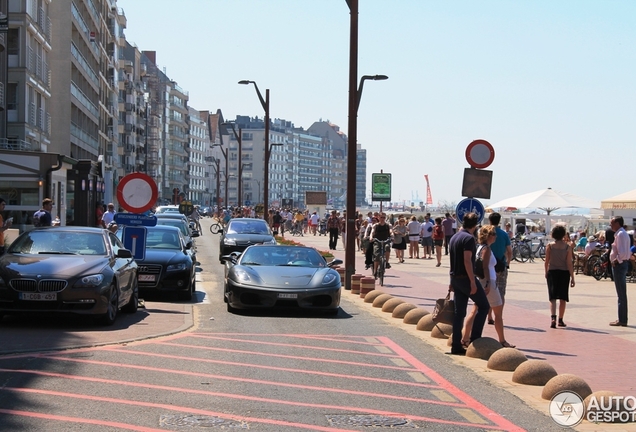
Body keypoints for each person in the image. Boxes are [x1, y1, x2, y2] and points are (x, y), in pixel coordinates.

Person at [462, 225, 514, 348]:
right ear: (489, 236)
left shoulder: (479, 248)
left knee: (475, 310)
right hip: (488, 283)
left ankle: (464, 338)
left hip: (481, 281)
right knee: (498, 313)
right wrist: (489, 283)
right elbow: (485, 267)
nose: (496, 236)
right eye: (494, 234)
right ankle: (502, 340)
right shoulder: (487, 249)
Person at [448, 212, 490, 355]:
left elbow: (452, 260)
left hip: (455, 278)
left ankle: (456, 345)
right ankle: (475, 339)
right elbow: (467, 260)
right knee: (484, 306)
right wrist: (472, 281)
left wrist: (451, 281)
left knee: (459, 313)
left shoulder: (454, 237)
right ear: (476, 225)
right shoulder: (469, 239)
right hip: (466, 278)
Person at [544, 225, 575, 329]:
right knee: (563, 297)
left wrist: (546, 272)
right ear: (563, 234)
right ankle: (560, 319)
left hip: (552, 272)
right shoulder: (567, 247)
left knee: (552, 297)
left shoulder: (550, 246)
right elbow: (569, 263)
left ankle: (553, 317)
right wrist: (572, 277)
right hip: (564, 273)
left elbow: (546, 261)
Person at [486, 212, 512, 325]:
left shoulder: (486, 233)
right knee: (501, 292)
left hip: (488, 266)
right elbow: (510, 251)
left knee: (488, 291)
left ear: (489, 220)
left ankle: (489, 316)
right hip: (501, 265)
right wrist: (507, 263)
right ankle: (499, 316)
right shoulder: (504, 234)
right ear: (499, 220)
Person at [609, 216, 630, 327]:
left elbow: (622, 252)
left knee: (621, 294)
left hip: (619, 266)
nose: (610, 225)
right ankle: (622, 318)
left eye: (612, 223)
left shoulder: (621, 234)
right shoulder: (621, 233)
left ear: (618, 223)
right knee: (621, 293)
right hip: (622, 264)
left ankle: (622, 319)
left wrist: (616, 261)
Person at [370, 213, 392, 278]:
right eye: (381, 217)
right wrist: (371, 237)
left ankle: (387, 263)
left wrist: (392, 235)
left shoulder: (388, 225)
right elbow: (372, 232)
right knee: (377, 255)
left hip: (386, 240)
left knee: (387, 247)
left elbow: (391, 231)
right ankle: (375, 271)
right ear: (378, 218)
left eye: (384, 217)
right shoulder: (375, 225)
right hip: (377, 241)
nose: (382, 219)